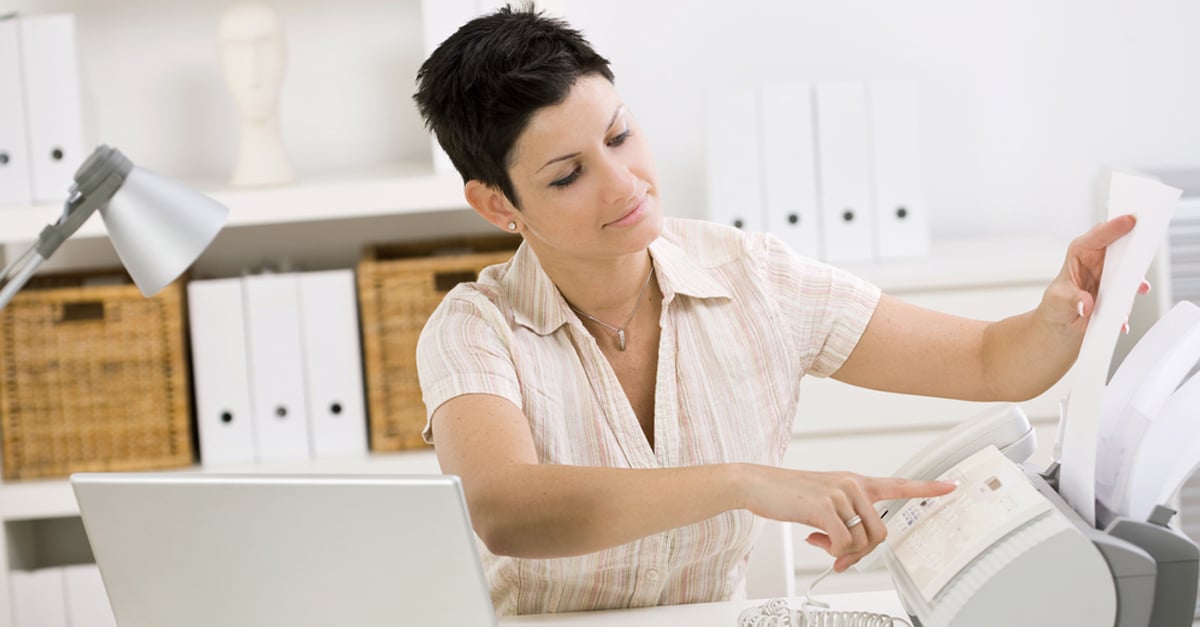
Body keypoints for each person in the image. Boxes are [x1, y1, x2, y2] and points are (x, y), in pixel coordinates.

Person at [412, 5, 1141, 616]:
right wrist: (746, 481)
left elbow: (991, 362)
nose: (622, 183)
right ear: (497, 203)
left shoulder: (755, 277)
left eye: (620, 136)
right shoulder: (475, 328)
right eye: (569, 174)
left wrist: (1058, 317)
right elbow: (506, 508)